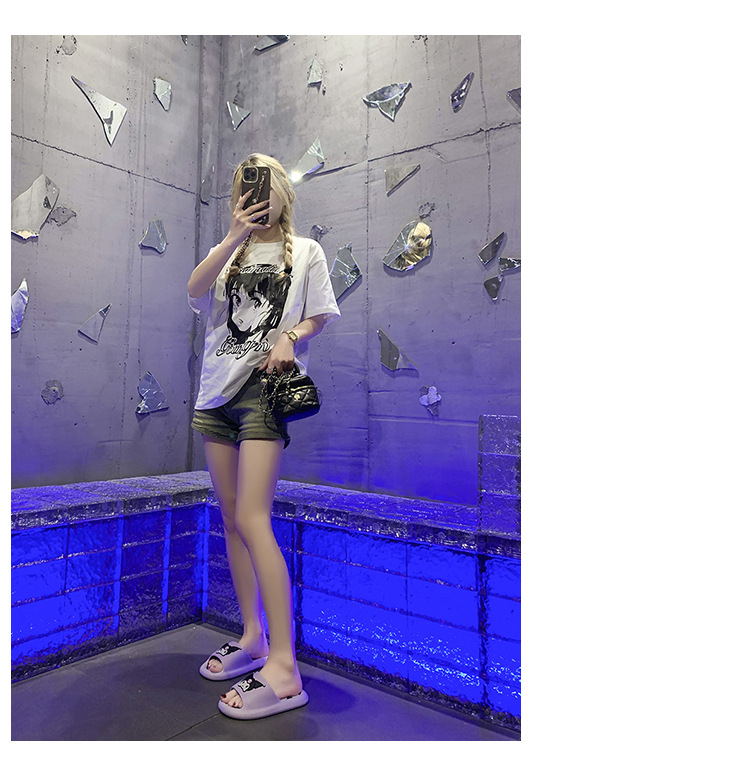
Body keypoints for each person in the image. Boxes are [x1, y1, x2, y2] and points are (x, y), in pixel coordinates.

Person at [187, 153, 341, 720]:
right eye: (245, 186)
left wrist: (290, 336)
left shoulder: (308, 252)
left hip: (263, 392)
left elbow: (320, 314)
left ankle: (284, 666)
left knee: (254, 518)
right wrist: (232, 236)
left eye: (265, 183)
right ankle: (253, 637)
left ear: (284, 192)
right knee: (232, 519)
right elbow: (194, 288)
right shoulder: (230, 250)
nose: (256, 194)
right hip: (215, 395)